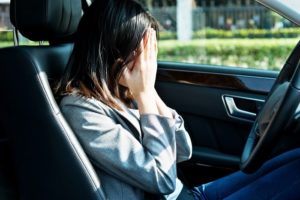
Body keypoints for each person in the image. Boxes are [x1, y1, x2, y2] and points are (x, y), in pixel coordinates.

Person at [56, 0, 300, 199]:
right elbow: (161, 178)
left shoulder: (120, 91)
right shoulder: (82, 111)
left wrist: (148, 93)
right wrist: (143, 94)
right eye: (140, 53)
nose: (146, 63)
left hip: (187, 194)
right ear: (112, 50)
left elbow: (183, 150)